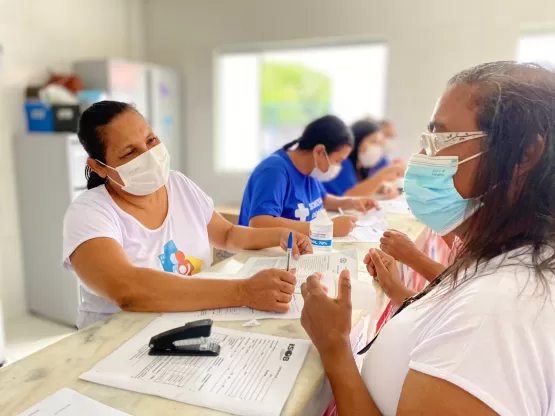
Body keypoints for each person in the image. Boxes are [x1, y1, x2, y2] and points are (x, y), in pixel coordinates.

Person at [301, 62, 555, 415]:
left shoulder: (497, 313)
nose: (422, 158)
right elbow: (444, 329)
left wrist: (334, 347)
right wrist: (404, 295)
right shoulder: (511, 258)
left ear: (525, 154)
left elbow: (469, 334)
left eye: (441, 140)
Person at [63, 101, 313, 329]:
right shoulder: (89, 213)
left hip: (186, 326)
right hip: (117, 343)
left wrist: (279, 235)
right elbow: (128, 290)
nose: (148, 155)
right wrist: (243, 291)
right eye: (129, 153)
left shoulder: (178, 184)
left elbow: (226, 234)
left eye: (150, 140)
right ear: (98, 166)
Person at [238, 115, 378, 237]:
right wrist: (325, 228)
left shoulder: (310, 170)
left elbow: (323, 200)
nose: (338, 167)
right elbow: (260, 222)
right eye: (337, 160)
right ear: (319, 151)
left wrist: (353, 202)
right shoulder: (274, 171)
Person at [322, 119, 405, 197]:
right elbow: (350, 195)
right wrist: (383, 174)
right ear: (357, 140)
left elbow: (365, 186)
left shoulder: (362, 167)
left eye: (380, 144)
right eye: (373, 142)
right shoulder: (343, 163)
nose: (377, 148)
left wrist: (384, 187)